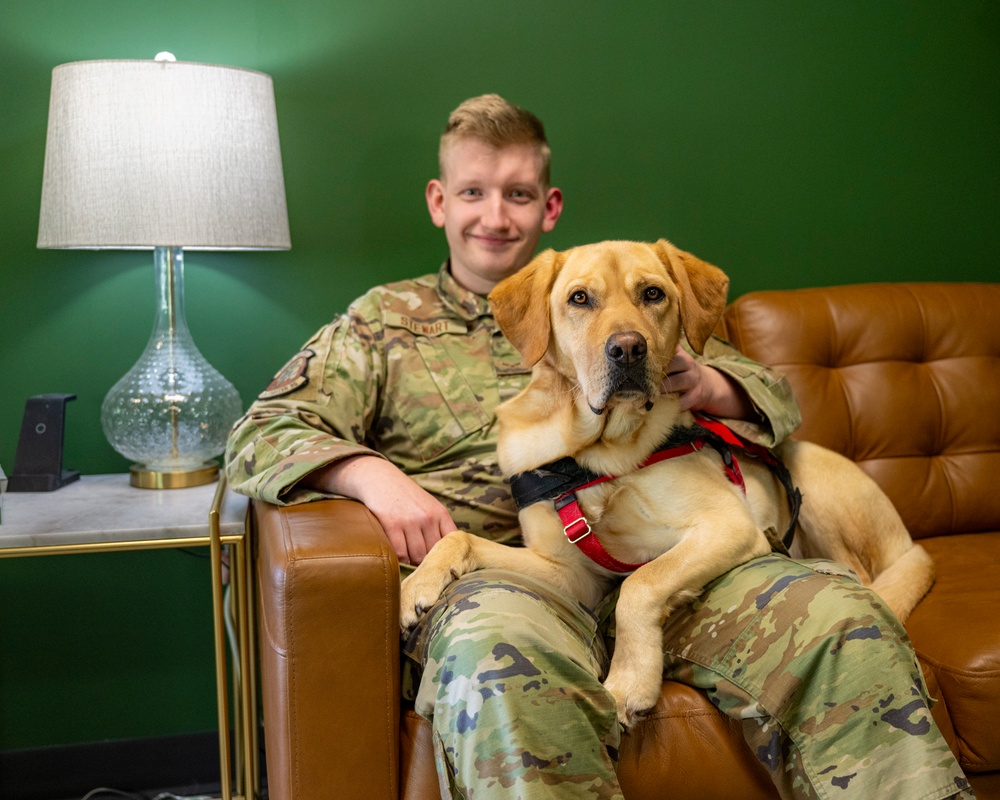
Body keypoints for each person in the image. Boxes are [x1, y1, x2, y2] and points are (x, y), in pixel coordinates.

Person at [226, 94, 973, 800]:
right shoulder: (385, 325)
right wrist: (372, 475)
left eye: (518, 193)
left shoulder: (629, 302)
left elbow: (776, 405)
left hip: (683, 563)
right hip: (518, 578)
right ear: (438, 201)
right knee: (501, 667)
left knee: (840, 614)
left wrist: (708, 381)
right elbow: (261, 432)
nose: (495, 215)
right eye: (473, 192)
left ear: (548, 206)